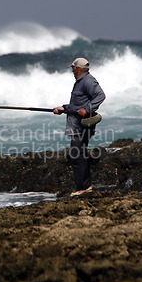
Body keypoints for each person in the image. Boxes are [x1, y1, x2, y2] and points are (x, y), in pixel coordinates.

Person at [53, 57, 105, 196]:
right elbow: (76, 105)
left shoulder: (87, 81)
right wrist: (63, 108)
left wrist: (88, 109)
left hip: (81, 126)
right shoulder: (80, 82)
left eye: (73, 68)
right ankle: (85, 186)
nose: (72, 71)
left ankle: (83, 187)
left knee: (76, 155)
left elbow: (101, 95)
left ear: (78, 69)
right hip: (77, 125)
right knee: (79, 153)